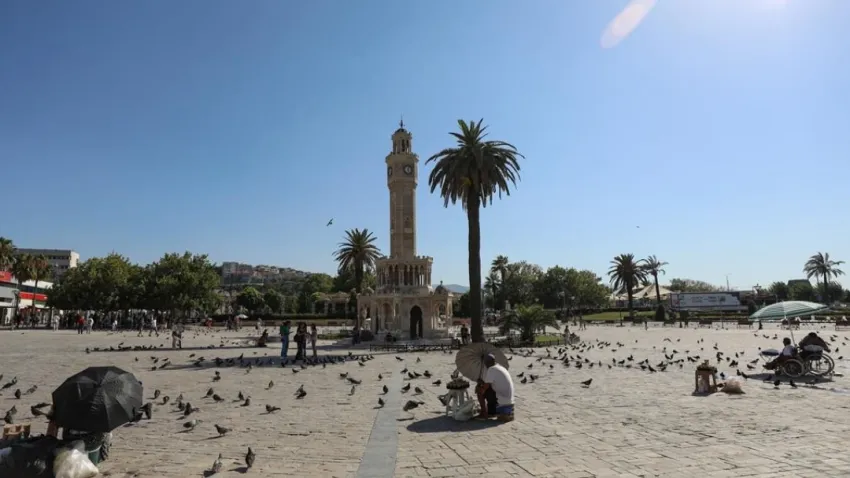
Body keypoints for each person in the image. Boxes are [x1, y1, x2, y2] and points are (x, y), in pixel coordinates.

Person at [476, 354, 515, 421]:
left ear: (487, 362)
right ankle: (491, 411)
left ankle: (484, 413)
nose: (485, 365)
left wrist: (480, 385)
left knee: (479, 390)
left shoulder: (491, 369)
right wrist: (482, 383)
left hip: (503, 399)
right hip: (508, 398)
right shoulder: (500, 367)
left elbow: (485, 387)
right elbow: (491, 384)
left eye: (485, 363)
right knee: (487, 390)